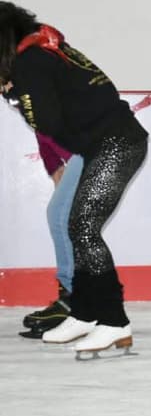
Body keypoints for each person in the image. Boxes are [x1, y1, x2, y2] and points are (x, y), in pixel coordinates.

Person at [1, 1, 148, 357]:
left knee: (83, 227)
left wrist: (10, 93)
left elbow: (46, 122)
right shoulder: (45, 48)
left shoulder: (31, 62)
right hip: (104, 144)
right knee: (73, 224)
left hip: (115, 145)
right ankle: (84, 312)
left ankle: (113, 322)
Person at [20, 135, 84, 339]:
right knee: (64, 219)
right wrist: (55, 168)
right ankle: (77, 299)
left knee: (59, 217)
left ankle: (73, 301)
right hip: (84, 153)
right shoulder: (32, 107)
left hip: (91, 149)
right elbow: (44, 135)